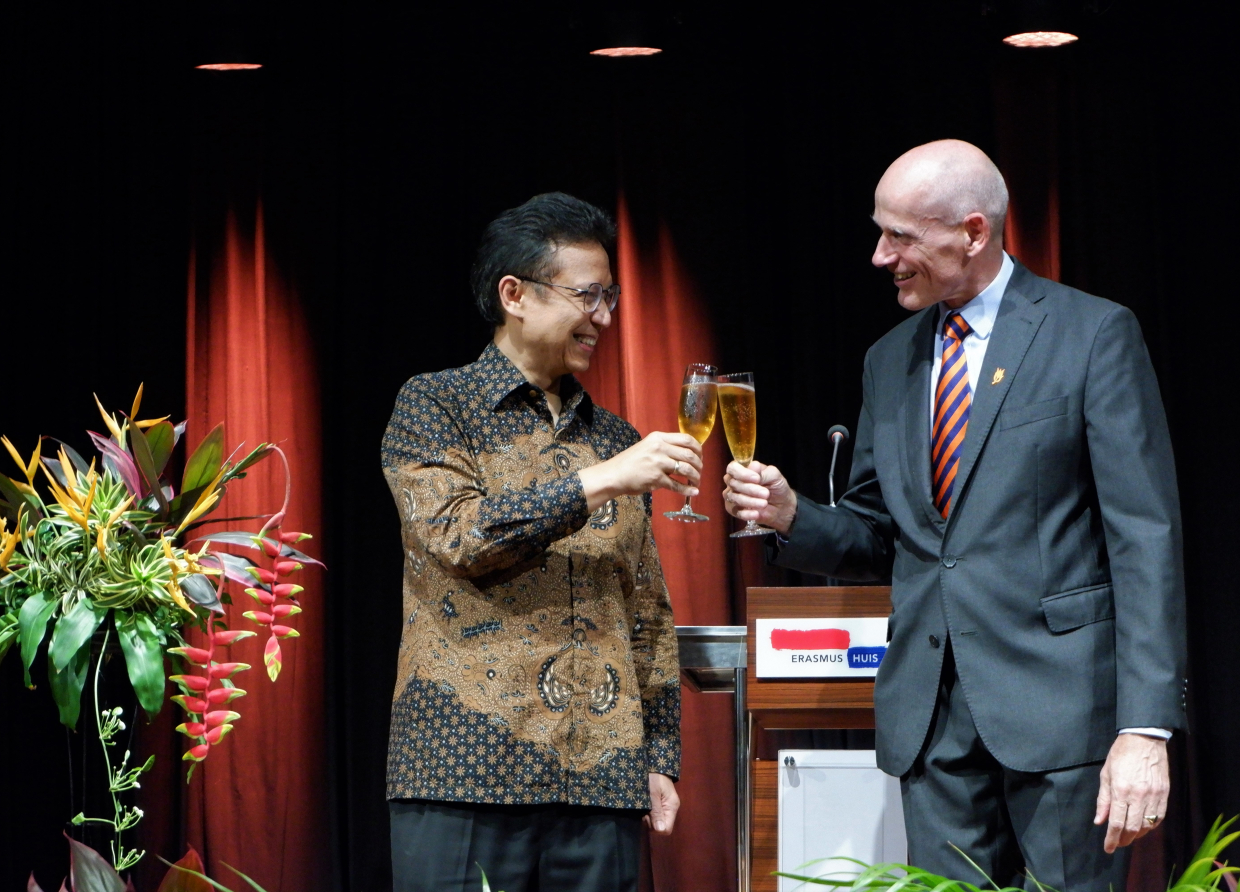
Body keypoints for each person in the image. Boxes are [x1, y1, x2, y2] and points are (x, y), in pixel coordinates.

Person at [724, 140, 1187, 891]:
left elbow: (1146, 543)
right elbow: (885, 536)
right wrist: (790, 516)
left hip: (1062, 720)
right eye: (881, 232)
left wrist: (1144, 728)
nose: (880, 255)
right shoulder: (890, 358)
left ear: (973, 232)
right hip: (931, 724)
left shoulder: (1092, 334)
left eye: (900, 235)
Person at [381, 192, 699, 892]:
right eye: (589, 295)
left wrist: (659, 756)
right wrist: (600, 482)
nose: (605, 318)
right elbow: (459, 535)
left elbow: (645, 608)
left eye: (611, 298)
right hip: (464, 772)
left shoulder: (617, 440)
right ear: (515, 294)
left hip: (601, 784)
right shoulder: (436, 406)